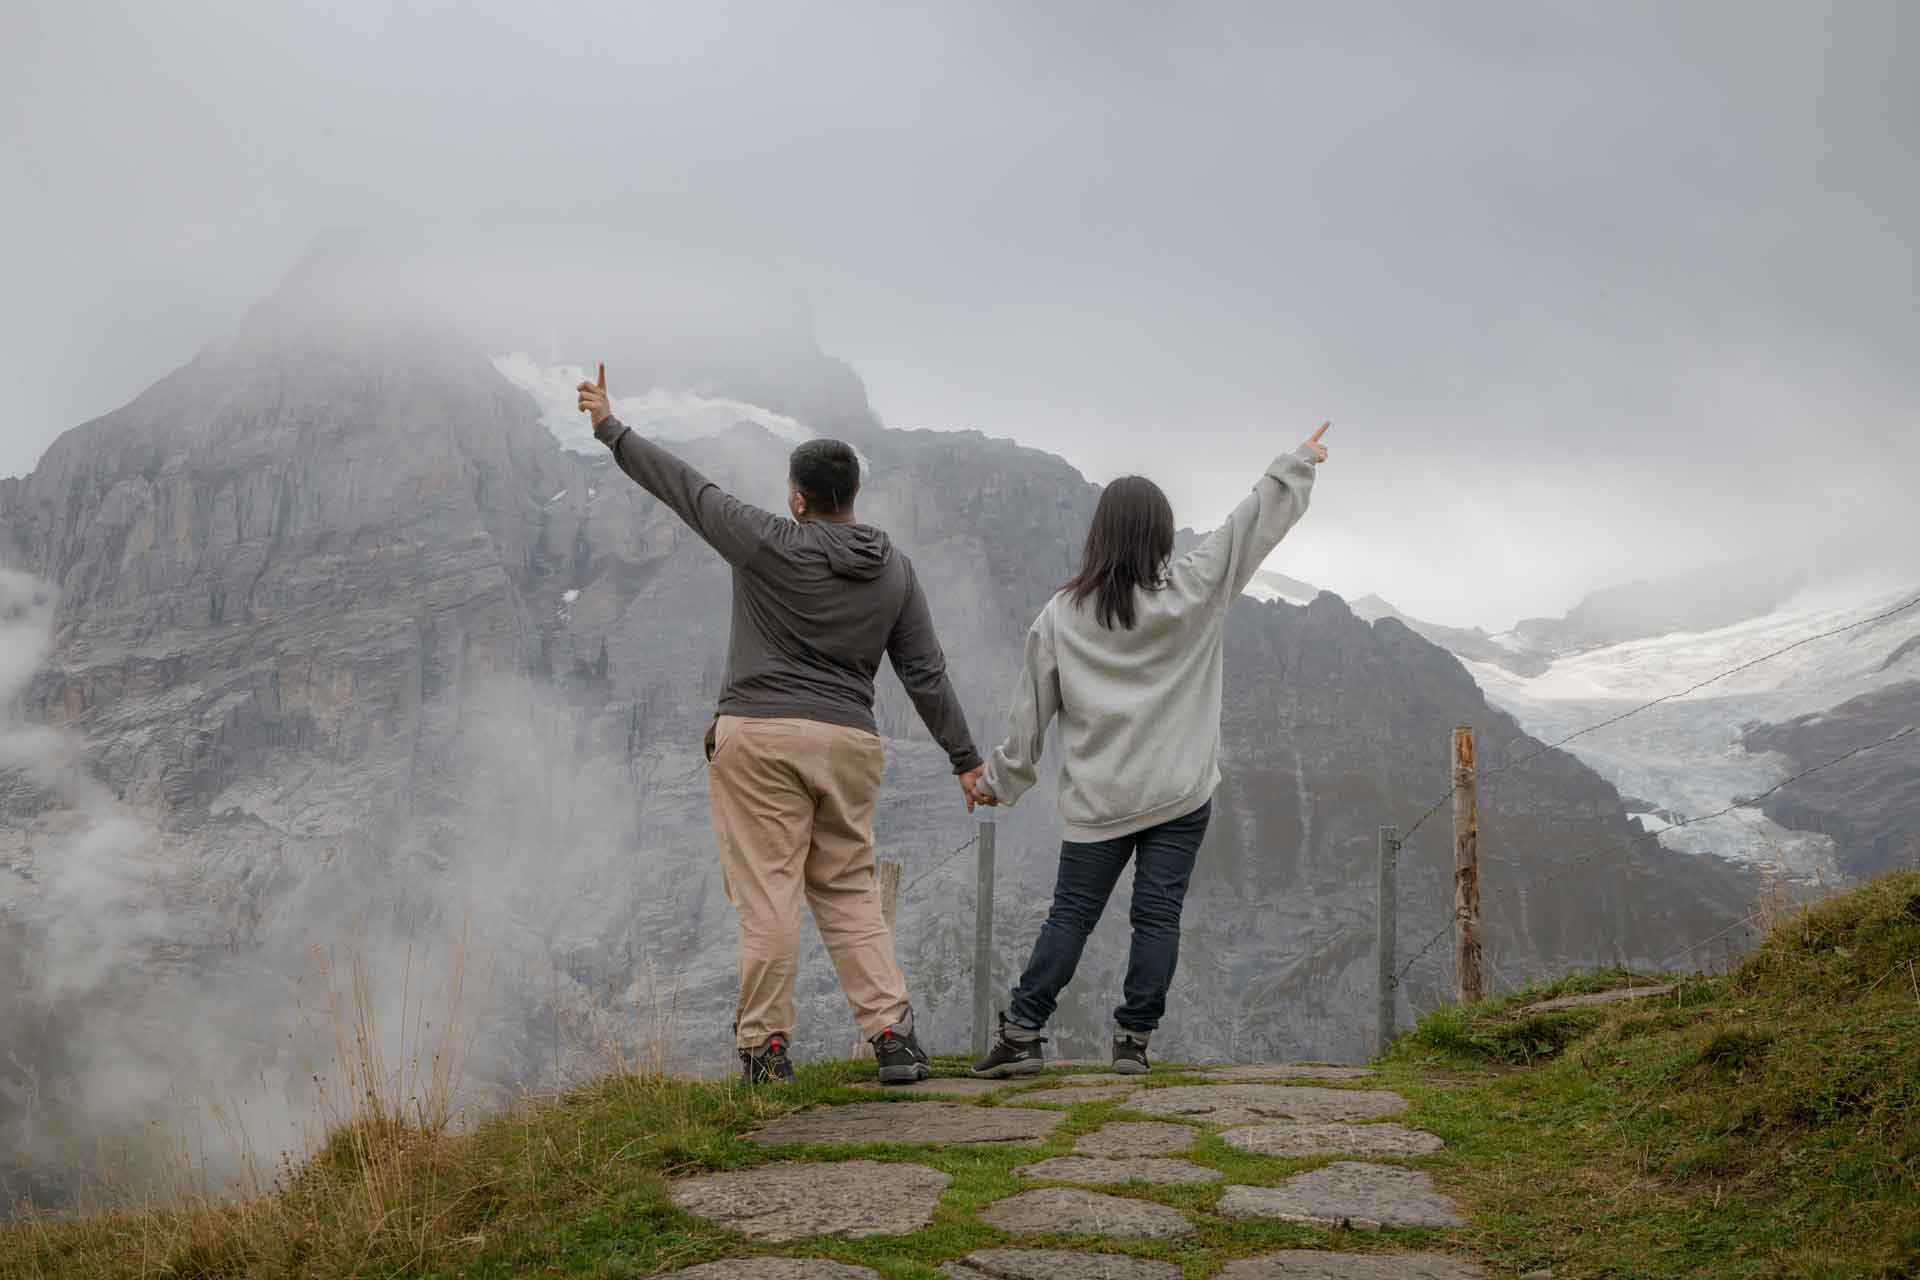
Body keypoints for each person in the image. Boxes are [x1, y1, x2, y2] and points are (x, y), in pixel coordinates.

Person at [578, 365, 986, 1086]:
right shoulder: (895, 570)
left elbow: (685, 488)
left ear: (798, 498)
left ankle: (766, 1049)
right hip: (849, 744)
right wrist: (964, 758)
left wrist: (611, 426)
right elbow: (924, 672)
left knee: (769, 895)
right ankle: (892, 1035)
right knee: (850, 890)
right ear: (853, 497)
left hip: (760, 739)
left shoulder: (768, 541)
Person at [967, 423, 1330, 1077]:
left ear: (1098, 533)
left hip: (1098, 799)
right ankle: (1133, 1044)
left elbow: (1030, 719)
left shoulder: (1060, 616)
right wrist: (1295, 463)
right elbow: (1245, 528)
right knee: (1156, 915)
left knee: (1071, 914)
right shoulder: (1193, 593)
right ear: (1162, 534)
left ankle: (1021, 1032)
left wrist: (996, 782)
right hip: (1178, 791)